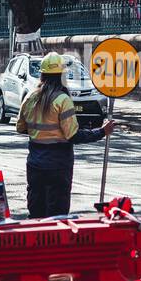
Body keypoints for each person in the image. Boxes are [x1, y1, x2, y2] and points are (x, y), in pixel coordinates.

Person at [16, 52, 114, 217]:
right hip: (58, 167)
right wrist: (101, 132)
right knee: (57, 217)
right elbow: (73, 136)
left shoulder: (30, 98)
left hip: (35, 165)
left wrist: (39, 132)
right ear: (61, 75)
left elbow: (20, 127)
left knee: (36, 214)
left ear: (42, 74)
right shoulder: (63, 100)